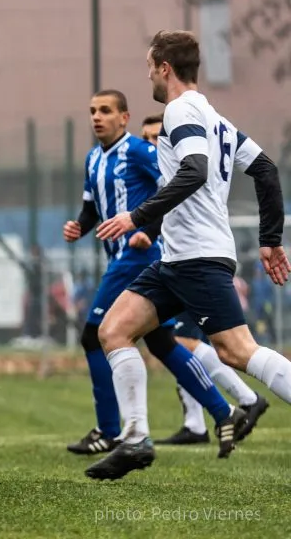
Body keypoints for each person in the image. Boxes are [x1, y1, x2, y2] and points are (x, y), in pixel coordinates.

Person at [88, 30, 291, 480]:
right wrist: (271, 238)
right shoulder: (215, 117)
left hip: (198, 257)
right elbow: (265, 169)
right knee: (114, 330)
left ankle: (141, 434)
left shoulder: (180, 110)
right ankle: (137, 438)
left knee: (238, 351)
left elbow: (195, 171)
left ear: (164, 68)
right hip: (176, 260)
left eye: (149, 68)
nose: (148, 78)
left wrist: (136, 217)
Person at [62, 90, 240, 458]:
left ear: (124, 117)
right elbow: (90, 209)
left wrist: (151, 230)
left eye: (106, 111)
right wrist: (78, 226)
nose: (97, 117)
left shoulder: (140, 152)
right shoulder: (93, 159)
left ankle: (109, 430)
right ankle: (225, 412)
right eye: (93, 110)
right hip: (122, 260)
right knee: (160, 343)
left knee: (93, 336)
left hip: (138, 258)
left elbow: (173, 192)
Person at [140, 114, 270, 446]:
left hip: (193, 266)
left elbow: (262, 168)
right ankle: (195, 423)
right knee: (172, 344)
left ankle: (244, 399)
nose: (153, 144)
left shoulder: (186, 164)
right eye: (147, 138)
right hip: (174, 266)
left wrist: (141, 225)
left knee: (202, 346)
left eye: (158, 137)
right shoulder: (159, 173)